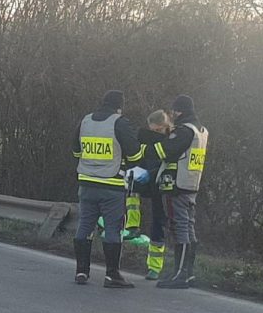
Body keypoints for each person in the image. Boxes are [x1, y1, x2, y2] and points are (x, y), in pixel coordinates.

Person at [72, 90, 144, 288]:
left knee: (85, 225)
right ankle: (112, 275)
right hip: (111, 185)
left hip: (86, 183)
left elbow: (75, 149)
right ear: (119, 106)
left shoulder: (85, 121)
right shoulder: (119, 123)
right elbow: (135, 155)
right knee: (113, 229)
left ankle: (81, 271)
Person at [150, 95, 208, 289]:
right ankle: (188, 273)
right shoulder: (201, 130)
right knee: (188, 227)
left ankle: (180, 274)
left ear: (179, 111)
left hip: (177, 184)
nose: (172, 114)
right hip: (192, 183)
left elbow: (164, 151)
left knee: (179, 227)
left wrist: (155, 140)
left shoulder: (184, 131)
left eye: (174, 111)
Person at [135, 110, 172, 280]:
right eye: (153, 130)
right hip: (149, 181)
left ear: (165, 126)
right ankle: (130, 229)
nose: (155, 134)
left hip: (165, 185)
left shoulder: (174, 140)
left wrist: (150, 173)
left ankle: (155, 268)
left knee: (159, 223)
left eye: (158, 130)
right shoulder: (145, 138)